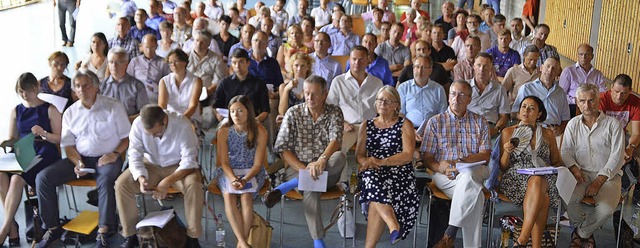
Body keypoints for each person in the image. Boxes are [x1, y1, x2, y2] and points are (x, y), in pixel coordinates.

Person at [35, 69, 130, 248]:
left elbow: (126, 137)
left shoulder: (113, 106)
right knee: (43, 178)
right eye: (77, 86)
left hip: (108, 157)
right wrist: (77, 162)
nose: (82, 89)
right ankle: (53, 228)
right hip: (80, 159)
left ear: (96, 87)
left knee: (107, 179)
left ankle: (104, 232)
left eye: (86, 85)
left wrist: (115, 154)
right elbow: (68, 145)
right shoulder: (71, 112)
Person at [264, 75, 346, 248]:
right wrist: (304, 169)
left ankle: (286, 187)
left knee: (340, 157)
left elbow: (336, 140)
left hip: (327, 169)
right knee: (311, 186)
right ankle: (318, 242)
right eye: (307, 93)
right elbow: (282, 149)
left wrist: (322, 160)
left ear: (325, 94)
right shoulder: (293, 113)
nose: (310, 98)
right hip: (297, 167)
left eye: (315, 94)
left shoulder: (334, 112)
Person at [116, 105, 203, 248]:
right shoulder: (138, 124)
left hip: (178, 167)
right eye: (149, 134)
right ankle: (130, 235)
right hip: (151, 164)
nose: (154, 136)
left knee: (193, 186)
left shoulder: (183, 124)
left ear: (165, 120)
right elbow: (134, 155)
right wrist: (141, 177)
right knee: (122, 185)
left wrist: (167, 181)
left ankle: (192, 237)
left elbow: (189, 161)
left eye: (157, 132)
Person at [421, 80, 491, 248]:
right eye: (453, 93)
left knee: (468, 176)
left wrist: (459, 162)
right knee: (477, 195)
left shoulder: (480, 122)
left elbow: (485, 155)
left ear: (469, 99)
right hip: (445, 175)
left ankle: (448, 235)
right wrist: (440, 167)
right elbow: (427, 157)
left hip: (475, 169)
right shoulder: (435, 122)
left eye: (461, 95)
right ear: (448, 96)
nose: (456, 98)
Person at [0, 73, 62, 247]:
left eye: (26, 90)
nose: (24, 95)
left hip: (45, 151)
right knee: (2, 176)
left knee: (17, 178)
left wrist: (44, 133)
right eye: (20, 91)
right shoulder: (16, 110)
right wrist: (7, 142)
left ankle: (6, 229)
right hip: (23, 150)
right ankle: (12, 226)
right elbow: (13, 137)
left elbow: (59, 139)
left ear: (36, 88)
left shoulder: (50, 109)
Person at [562, 83, 625, 247]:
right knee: (567, 199)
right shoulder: (573, 124)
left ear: (598, 100)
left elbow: (617, 157)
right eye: (582, 101)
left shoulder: (613, 125)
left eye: (591, 100)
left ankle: (580, 233)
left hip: (608, 175)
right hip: (580, 173)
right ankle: (587, 234)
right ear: (577, 102)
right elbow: (566, 152)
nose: (587, 105)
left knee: (606, 210)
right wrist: (574, 169)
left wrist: (599, 181)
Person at [357, 86, 418, 247]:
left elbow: (408, 155)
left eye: (387, 101)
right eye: (379, 100)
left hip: (400, 174)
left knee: (374, 196)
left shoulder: (405, 124)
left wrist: (382, 162)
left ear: (396, 105)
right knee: (370, 177)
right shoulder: (367, 125)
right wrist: (367, 162)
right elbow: (360, 155)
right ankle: (393, 224)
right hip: (373, 172)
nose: (382, 103)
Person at [499, 96, 564, 247]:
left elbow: (556, 160)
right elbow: (502, 167)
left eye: (531, 108)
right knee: (543, 195)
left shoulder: (548, 134)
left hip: (543, 177)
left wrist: (564, 170)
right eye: (523, 107)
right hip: (515, 178)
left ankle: (523, 240)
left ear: (539, 114)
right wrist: (507, 152)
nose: (526, 111)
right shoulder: (508, 132)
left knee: (539, 181)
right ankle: (527, 241)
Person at [216, 96, 267, 248]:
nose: (236, 115)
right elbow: (224, 162)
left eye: (240, 111)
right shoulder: (223, 131)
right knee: (229, 196)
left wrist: (245, 179)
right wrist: (233, 178)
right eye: (232, 111)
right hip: (229, 171)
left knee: (246, 197)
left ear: (248, 112)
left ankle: (241, 242)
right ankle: (243, 242)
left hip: (252, 171)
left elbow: (258, 164)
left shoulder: (260, 131)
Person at [328, 46, 383, 183]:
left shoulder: (376, 83)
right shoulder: (338, 82)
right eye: (353, 59)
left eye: (361, 60)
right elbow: (330, 109)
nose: (356, 63)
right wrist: (342, 123)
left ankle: (372, 181)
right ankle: (342, 182)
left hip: (371, 126)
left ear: (367, 61)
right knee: (338, 150)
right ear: (349, 60)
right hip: (348, 125)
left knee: (383, 147)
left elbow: (382, 109)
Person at [512, 57, 569, 138]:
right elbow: (514, 113)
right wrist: (531, 123)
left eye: (554, 68)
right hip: (530, 132)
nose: (550, 70)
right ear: (541, 68)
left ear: (558, 72)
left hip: (553, 134)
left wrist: (560, 129)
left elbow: (566, 119)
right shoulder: (526, 88)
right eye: (547, 66)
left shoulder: (560, 93)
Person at [213, 49, 270, 123]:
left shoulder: (258, 83)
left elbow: (265, 110)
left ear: (248, 63)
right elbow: (216, 106)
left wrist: (257, 120)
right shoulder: (225, 83)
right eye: (234, 63)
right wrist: (218, 116)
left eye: (241, 62)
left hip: (251, 122)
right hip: (229, 121)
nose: (237, 66)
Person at [398, 55, 448, 131]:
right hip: (410, 129)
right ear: (413, 69)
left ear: (430, 70)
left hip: (433, 129)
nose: (420, 71)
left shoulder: (439, 89)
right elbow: (400, 114)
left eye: (424, 68)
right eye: (417, 67)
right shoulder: (403, 88)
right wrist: (410, 131)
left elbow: (443, 114)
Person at [467, 52, 510, 137]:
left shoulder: (499, 89)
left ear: (491, 68)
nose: (481, 69)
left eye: (485, 66)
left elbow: (504, 115)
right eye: (478, 65)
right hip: (468, 128)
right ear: (474, 67)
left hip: (490, 128)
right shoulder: (465, 87)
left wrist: (496, 130)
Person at [599, 74, 640, 163]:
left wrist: (630, 147)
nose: (619, 97)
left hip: (622, 135)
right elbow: (597, 129)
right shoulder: (601, 99)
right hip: (601, 136)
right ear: (611, 88)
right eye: (616, 91)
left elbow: (636, 133)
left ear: (630, 91)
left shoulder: (636, 103)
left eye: (624, 93)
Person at [101, 47, 148, 122]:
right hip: (107, 127)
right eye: (111, 62)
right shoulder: (101, 86)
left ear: (126, 64)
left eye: (118, 62)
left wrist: (124, 121)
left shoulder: (137, 86)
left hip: (131, 127)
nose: (114, 65)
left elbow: (144, 113)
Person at [559, 43, 606, 116]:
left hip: (591, 107)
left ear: (592, 56)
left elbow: (602, 93)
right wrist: (574, 100)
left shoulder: (598, 74)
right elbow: (561, 94)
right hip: (572, 106)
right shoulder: (569, 71)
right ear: (577, 56)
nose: (583, 57)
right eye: (581, 54)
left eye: (587, 54)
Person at [158, 49, 203, 124]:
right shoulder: (164, 81)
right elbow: (162, 106)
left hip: (190, 118)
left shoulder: (196, 81)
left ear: (184, 62)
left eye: (176, 61)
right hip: (170, 119)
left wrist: (180, 121)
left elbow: (193, 106)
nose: (173, 65)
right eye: (170, 62)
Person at [128, 34, 171, 104]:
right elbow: (128, 79)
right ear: (141, 47)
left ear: (156, 46)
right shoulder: (135, 61)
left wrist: (157, 88)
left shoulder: (163, 62)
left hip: (155, 95)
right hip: (136, 94)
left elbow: (168, 82)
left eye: (152, 47)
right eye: (146, 47)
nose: (148, 50)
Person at [187, 30, 229, 100]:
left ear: (208, 44)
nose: (198, 44)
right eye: (197, 40)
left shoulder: (216, 59)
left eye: (202, 42)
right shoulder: (186, 56)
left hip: (208, 95)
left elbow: (218, 80)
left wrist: (206, 93)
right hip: (188, 92)